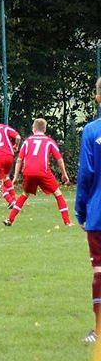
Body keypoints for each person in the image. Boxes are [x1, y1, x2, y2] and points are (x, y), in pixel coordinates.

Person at [4, 118, 71, 227]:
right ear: (44, 129)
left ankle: (10, 219)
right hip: (43, 172)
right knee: (58, 194)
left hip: (28, 172)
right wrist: (64, 174)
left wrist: (15, 177)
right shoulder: (49, 141)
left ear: (33, 129)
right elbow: (59, 159)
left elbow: (19, 160)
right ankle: (67, 222)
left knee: (24, 194)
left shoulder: (27, 141)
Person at [76, 77, 101, 343]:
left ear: (97, 98)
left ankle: (99, 330)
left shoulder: (92, 132)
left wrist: (81, 211)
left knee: (100, 271)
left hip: (98, 213)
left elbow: (86, 174)